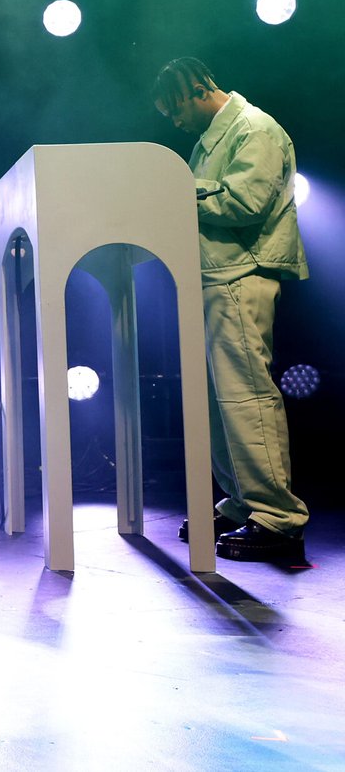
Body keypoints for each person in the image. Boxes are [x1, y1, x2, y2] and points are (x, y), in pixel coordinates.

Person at [154, 56, 309, 563]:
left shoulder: (254, 128)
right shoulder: (212, 139)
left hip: (243, 275)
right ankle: (245, 505)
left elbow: (245, 202)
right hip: (219, 276)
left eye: (175, 110)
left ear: (198, 90)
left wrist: (177, 190)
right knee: (221, 402)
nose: (175, 122)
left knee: (245, 396)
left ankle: (278, 518)